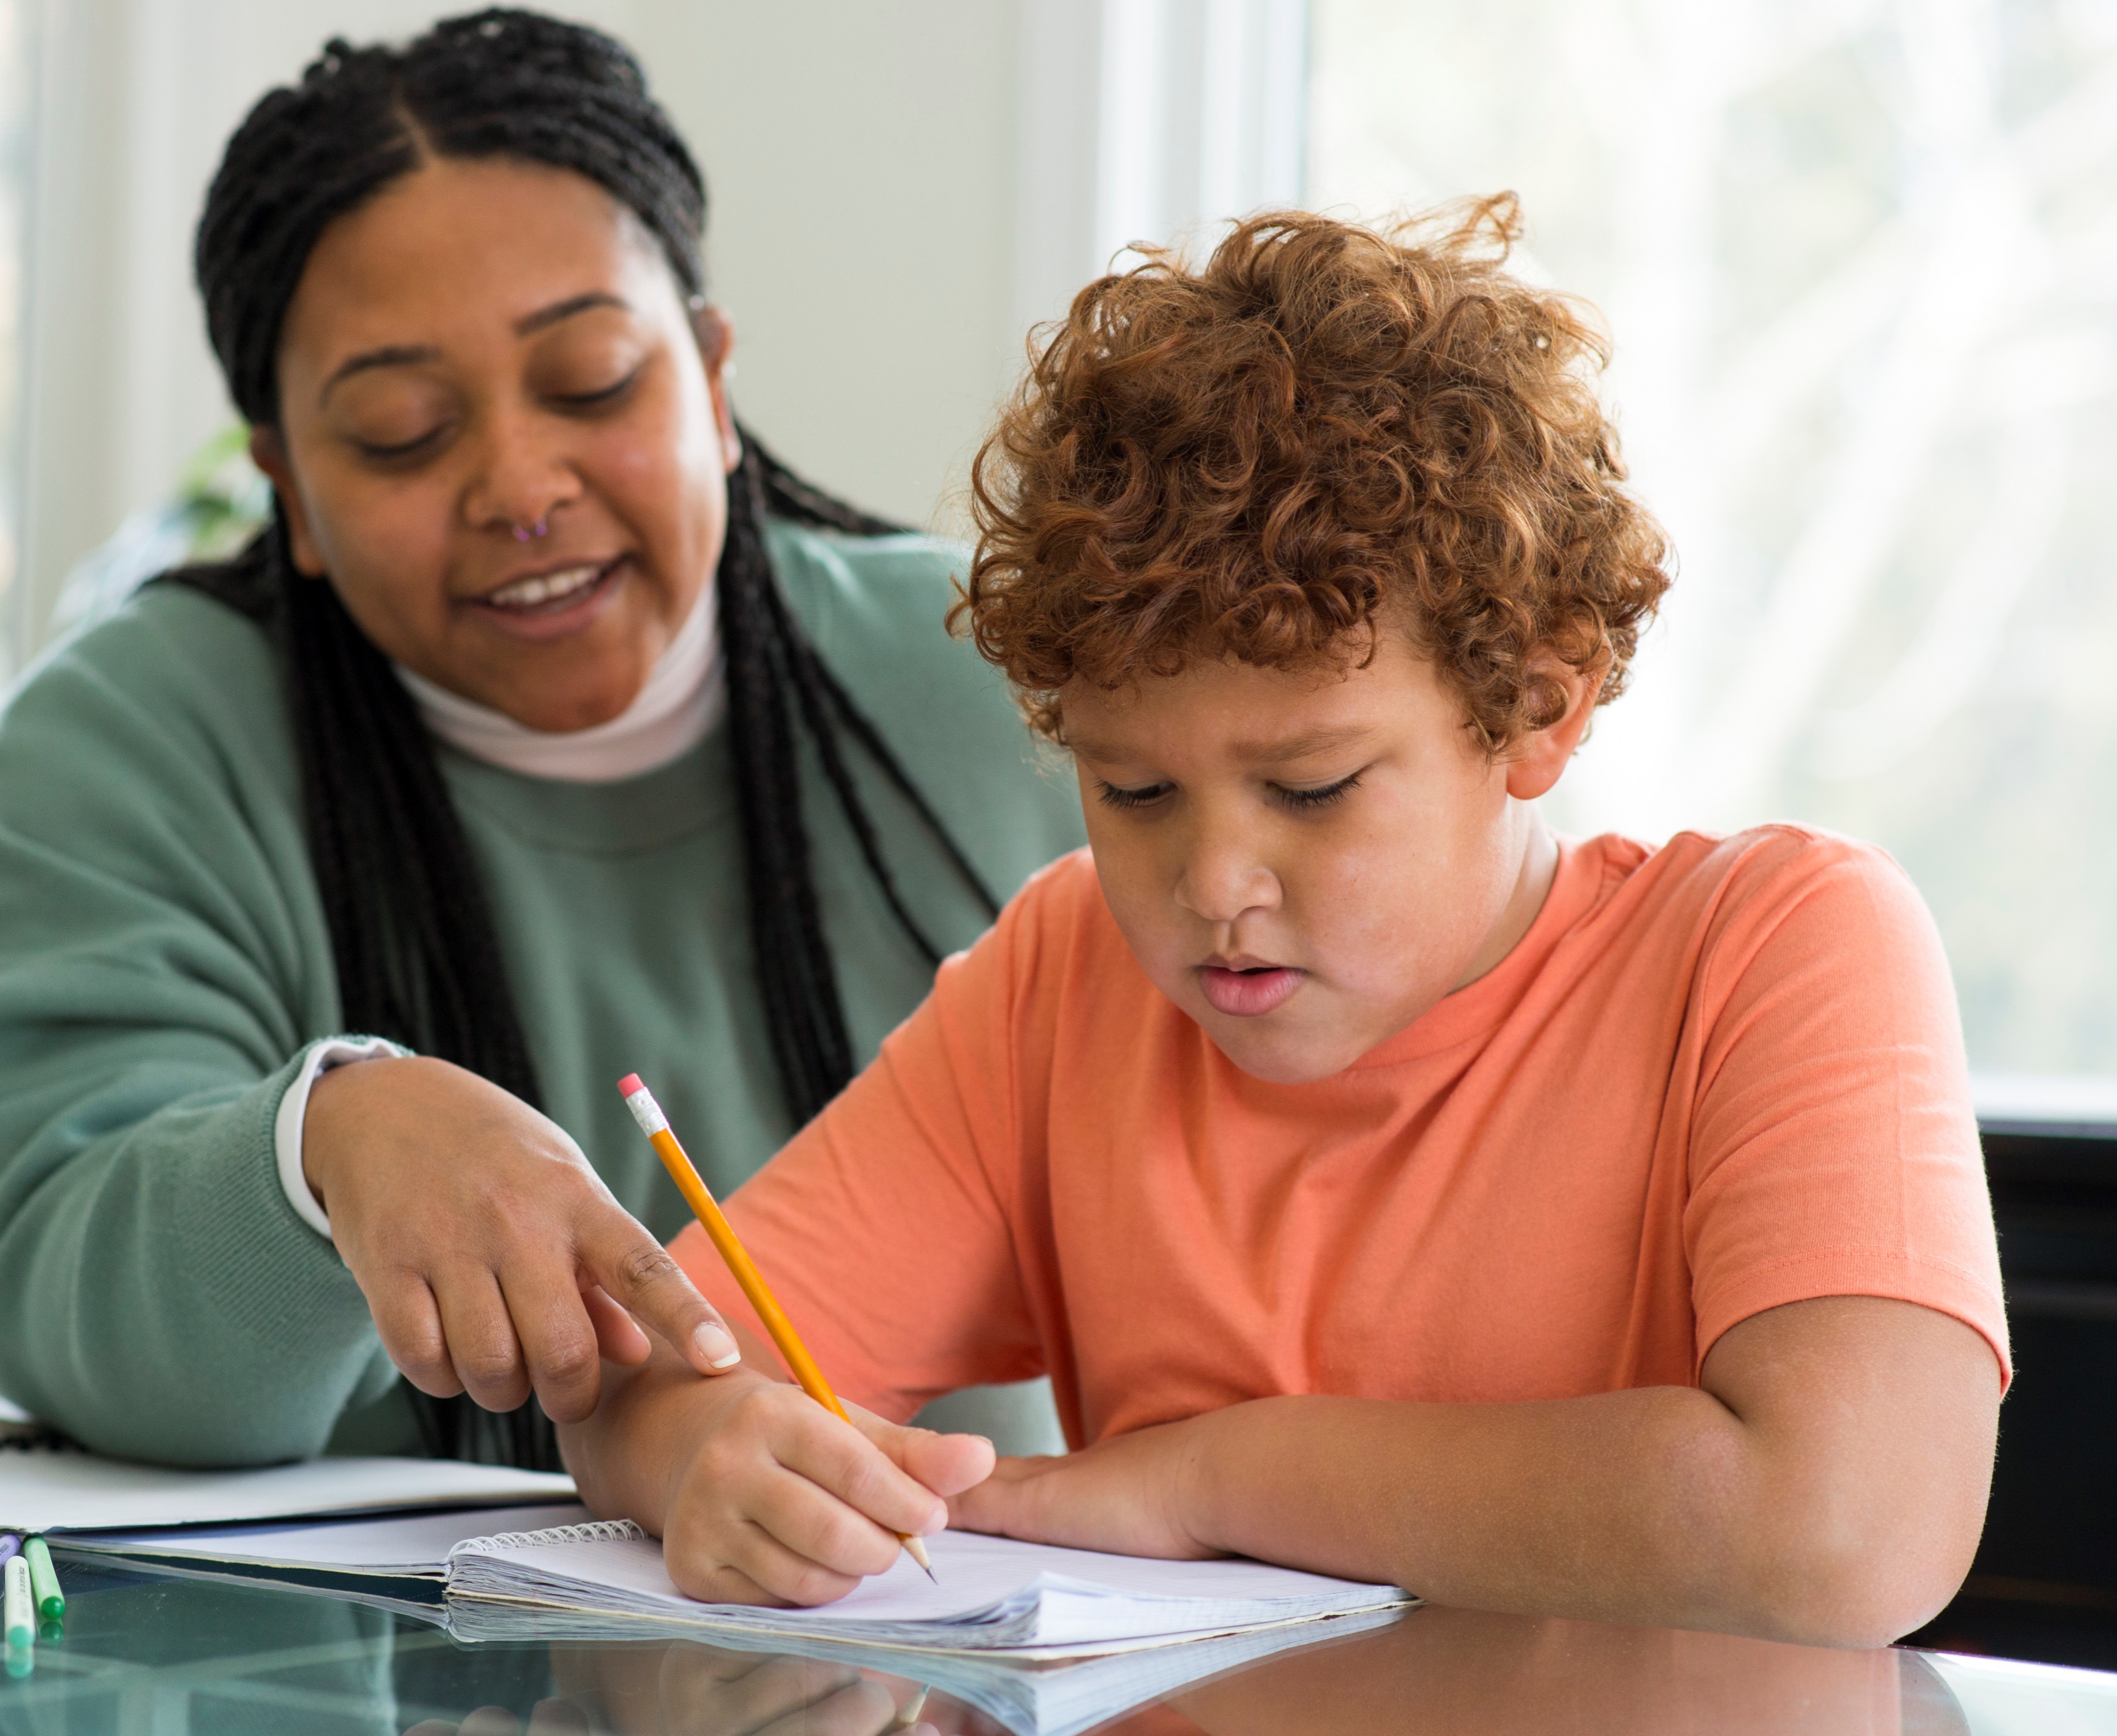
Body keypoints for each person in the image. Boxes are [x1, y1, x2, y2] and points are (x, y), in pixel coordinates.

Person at [558, 199, 2009, 1647]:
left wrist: (1211, 1477)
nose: (1212, 888)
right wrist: (702, 1451)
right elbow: (653, 1375)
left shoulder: (1780, 945)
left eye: (1311, 789)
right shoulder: (1065, 978)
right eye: (1131, 789)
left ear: (1539, 707)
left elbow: (1848, 1532)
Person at [0, 10, 1084, 1469]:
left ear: (710, 379)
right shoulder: (131, 743)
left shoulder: (1013, 673)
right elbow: (64, 1295)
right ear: (290, 494)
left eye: (590, 383)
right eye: (397, 432)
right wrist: (321, 1150)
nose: (520, 485)